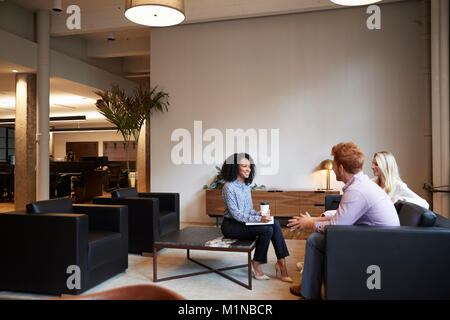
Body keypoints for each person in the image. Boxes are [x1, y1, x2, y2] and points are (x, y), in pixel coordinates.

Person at [287, 142, 400, 299]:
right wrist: (312, 219)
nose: (332, 169)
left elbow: (336, 228)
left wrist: (309, 224)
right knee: (317, 238)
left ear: (340, 168)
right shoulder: (360, 184)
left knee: (315, 240)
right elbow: (342, 217)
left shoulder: (356, 191)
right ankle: (308, 287)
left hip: (379, 245)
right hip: (376, 237)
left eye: (333, 165)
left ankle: (309, 292)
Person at [220, 153, 292, 282]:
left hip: (244, 223)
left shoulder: (246, 186)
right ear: (235, 167)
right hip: (231, 226)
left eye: (250, 166)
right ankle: (257, 263)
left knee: (274, 223)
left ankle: (281, 263)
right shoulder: (228, 187)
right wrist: (259, 220)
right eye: (244, 166)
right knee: (267, 229)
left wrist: (260, 214)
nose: (249, 169)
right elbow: (236, 214)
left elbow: (249, 211)